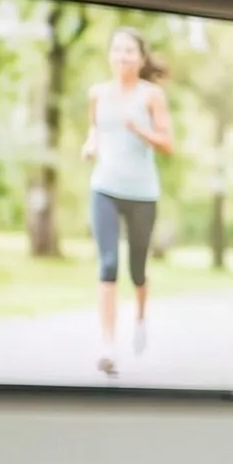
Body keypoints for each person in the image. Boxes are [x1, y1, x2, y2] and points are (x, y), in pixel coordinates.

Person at [81, 26, 174, 377]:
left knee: (137, 270)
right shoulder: (97, 93)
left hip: (142, 194)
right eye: (117, 50)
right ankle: (107, 345)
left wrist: (140, 131)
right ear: (110, 55)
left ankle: (140, 318)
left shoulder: (151, 96)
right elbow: (94, 129)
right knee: (107, 264)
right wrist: (90, 145)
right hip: (104, 188)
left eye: (130, 51)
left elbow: (168, 144)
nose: (123, 57)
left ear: (141, 58)